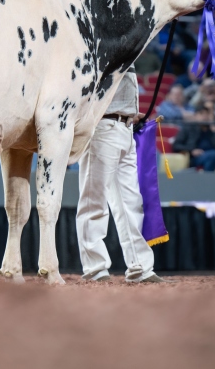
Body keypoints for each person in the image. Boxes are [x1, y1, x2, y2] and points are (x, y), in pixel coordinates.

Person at [76, 64, 164, 283]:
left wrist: (129, 112)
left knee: (131, 202)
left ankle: (140, 268)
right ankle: (95, 268)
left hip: (126, 127)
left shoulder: (128, 47)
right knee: (94, 200)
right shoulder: (100, 42)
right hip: (103, 125)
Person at [173, 102, 215, 171]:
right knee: (213, 155)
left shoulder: (213, 128)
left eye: (206, 114)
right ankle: (207, 180)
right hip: (196, 157)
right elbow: (176, 145)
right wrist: (191, 151)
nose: (204, 117)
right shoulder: (188, 128)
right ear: (195, 116)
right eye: (201, 114)